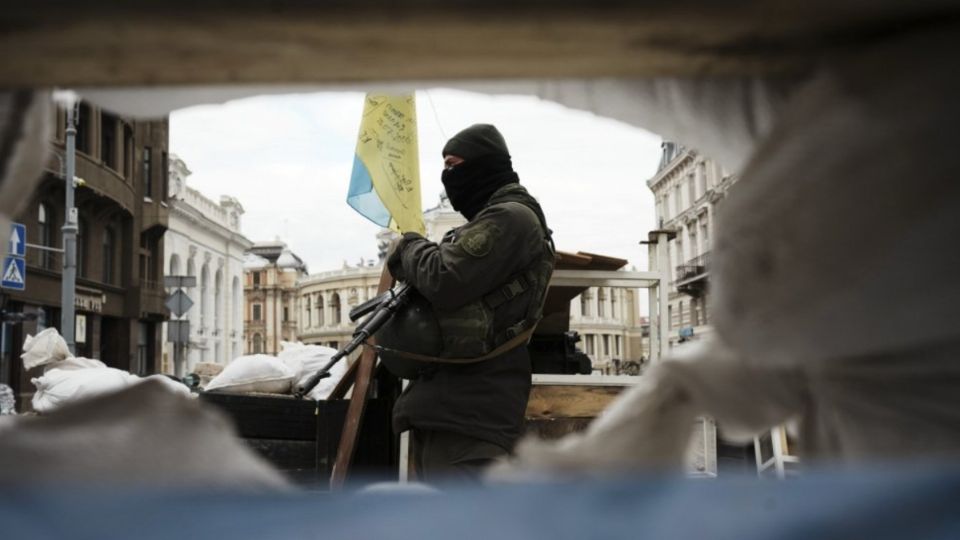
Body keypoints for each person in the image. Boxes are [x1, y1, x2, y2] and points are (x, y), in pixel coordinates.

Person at [385, 124, 555, 482]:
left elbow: (444, 277)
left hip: (472, 414)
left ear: (485, 165)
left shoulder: (509, 218)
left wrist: (409, 245)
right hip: (452, 405)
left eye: (454, 165)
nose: (448, 177)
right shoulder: (494, 219)